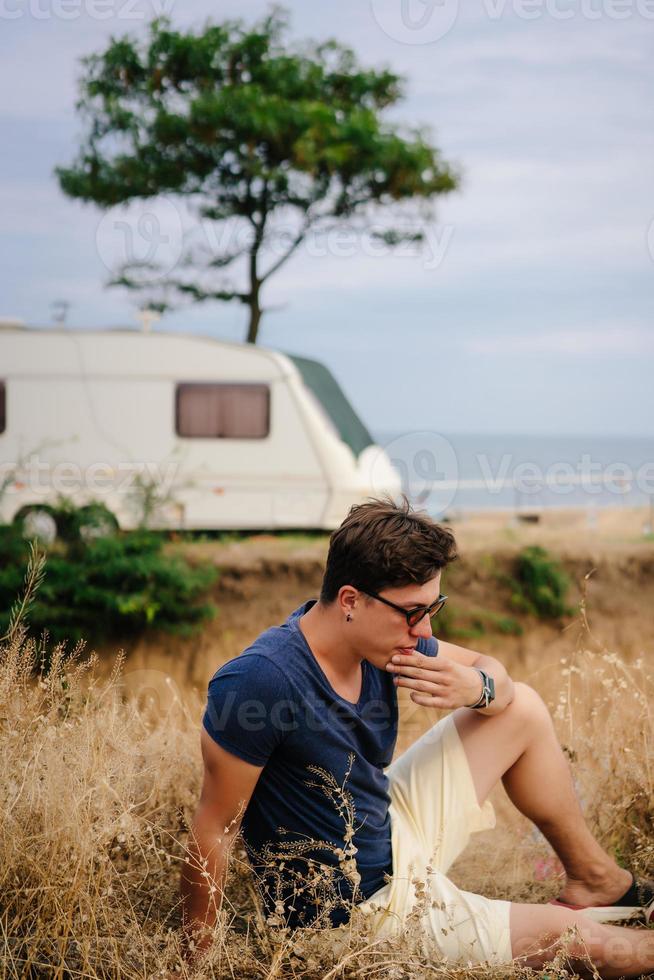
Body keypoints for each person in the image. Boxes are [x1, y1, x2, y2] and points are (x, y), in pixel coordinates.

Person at [180, 497, 654, 977]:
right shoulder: (262, 681)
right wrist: (196, 966)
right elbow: (213, 830)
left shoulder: (385, 641)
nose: (424, 629)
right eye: (412, 612)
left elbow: (500, 680)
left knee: (522, 707)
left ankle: (597, 882)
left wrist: (479, 688)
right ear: (350, 600)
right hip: (357, 912)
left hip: (387, 825)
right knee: (572, 941)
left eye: (432, 608)